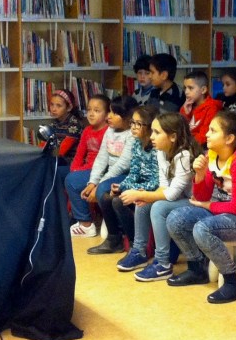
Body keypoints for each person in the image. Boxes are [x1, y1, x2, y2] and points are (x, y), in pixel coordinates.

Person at [166, 111, 236, 303]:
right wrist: (199, 175)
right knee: (176, 218)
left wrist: (207, 205)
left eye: (213, 131)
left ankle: (233, 282)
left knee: (202, 228)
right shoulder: (211, 155)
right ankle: (196, 269)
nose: (206, 134)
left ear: (229, 139)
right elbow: (202, 196)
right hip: (226, 211)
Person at [132, 113, 202, 281]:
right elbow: (164, 185)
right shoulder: (161, 152)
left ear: (173, 137)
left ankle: (162, 264)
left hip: (199, 203)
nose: (151, 136)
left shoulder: (184, 155)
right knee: (144, 204)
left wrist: (143, 194)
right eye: (152, 132)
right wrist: (145, 197)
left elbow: (171, 194)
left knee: (158, 206)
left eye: (157, 132)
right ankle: (139, 251)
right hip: (182, 199)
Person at [65, 95, 137, 240]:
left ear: (127, 117)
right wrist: (92, 182)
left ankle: (116, 226)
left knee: (102, 189)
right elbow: (101, 158)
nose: (109, 116)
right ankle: (85, 224)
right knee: (72, 180)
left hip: (126, 175)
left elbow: (123, 165)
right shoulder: (110, 130)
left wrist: (98, 185)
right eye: (109, 111)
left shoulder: (132, 134)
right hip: (108, 173)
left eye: (114, 113)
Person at [107, 105, 160, 270]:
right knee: (114, 199)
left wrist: (135, 190)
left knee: (126, 201)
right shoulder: (137, 143)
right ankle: (132, 244)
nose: (133, 127)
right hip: (141, 186)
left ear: (150, 126)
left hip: (155, 189)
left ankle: (141, 249)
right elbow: (134, 172)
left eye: (139, 124)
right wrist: (122, 186)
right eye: (133, 123)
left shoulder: (157, 148)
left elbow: (157, 181)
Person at [68, 94, 110, 174]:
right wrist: (74, 169)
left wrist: (80, 170)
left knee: (71, 179)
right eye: (89, 110)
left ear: (107, 115)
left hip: (99, 169)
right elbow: (79, 154)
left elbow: (103, 160)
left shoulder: (108, 132)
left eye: (96, 111)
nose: (91, 114)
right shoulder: (87, 130)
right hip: (86, 167)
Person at [180, 70, 222, 146]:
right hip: (187, 145)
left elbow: (205, 136)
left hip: (202, 148)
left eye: (190, 88)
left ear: (203, 90)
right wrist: (186, 114)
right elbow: (180, 129)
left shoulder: (212, 108)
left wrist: (186, 143)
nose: (186, 92)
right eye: (185, 88)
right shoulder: (186, 105)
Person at [47, 89, 84, 165]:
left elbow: (61, 151)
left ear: (69, 108)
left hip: (72, 161)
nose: (53, 109)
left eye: (59, 106)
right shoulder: (54, 123)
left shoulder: (75, 124)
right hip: (58, 158)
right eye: (52, 104)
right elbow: (44, 145)